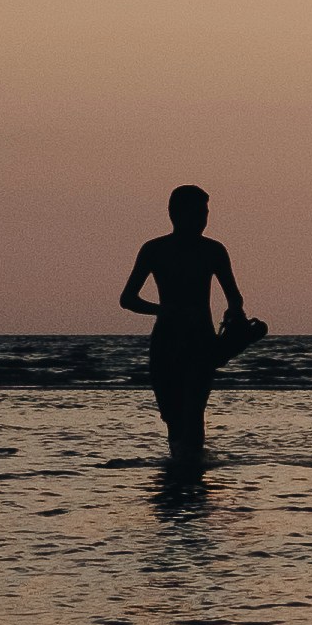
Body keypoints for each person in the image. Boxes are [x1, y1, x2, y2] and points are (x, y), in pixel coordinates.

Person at [119, 185, 248, 467]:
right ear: (174, 214)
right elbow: (127, 298)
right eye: (197, 213)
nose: (202, 219)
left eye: (205, 213)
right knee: (171, 414)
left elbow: (234, 297)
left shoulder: (214, 250)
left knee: (194, 409)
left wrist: (235, 319)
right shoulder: (154, 249)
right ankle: (182, 470)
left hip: (202, 341)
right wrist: (164, 310)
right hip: (166, 341)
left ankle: (191, 472)